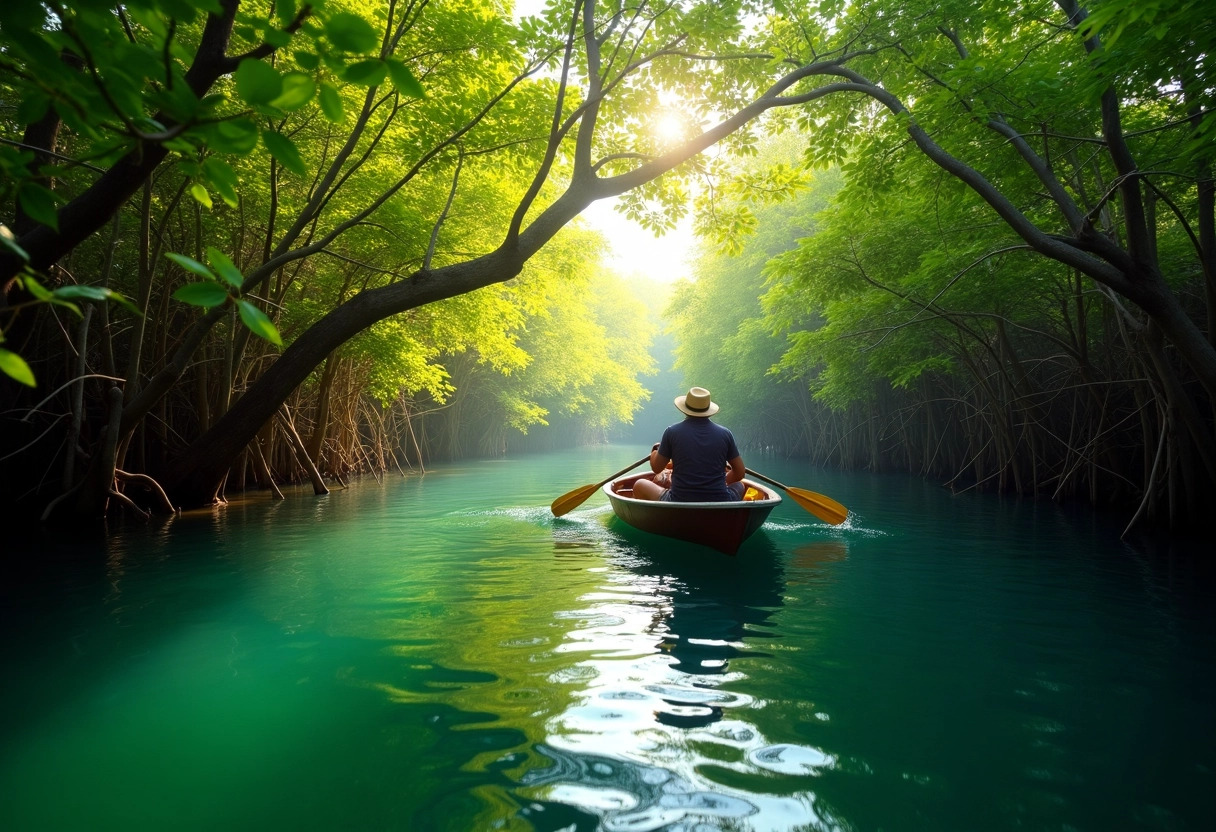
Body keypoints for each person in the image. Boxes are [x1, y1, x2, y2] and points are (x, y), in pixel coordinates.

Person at [632, 386, 746, 502]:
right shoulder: (725, 434)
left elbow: (657, 468)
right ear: (708, 410)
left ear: (685, 408)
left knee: (639, 484)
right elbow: (740, 472)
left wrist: (654, 453)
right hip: (720, 500)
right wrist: (723, 481)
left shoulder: (672, 432)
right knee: (740, 485)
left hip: (678, 500)